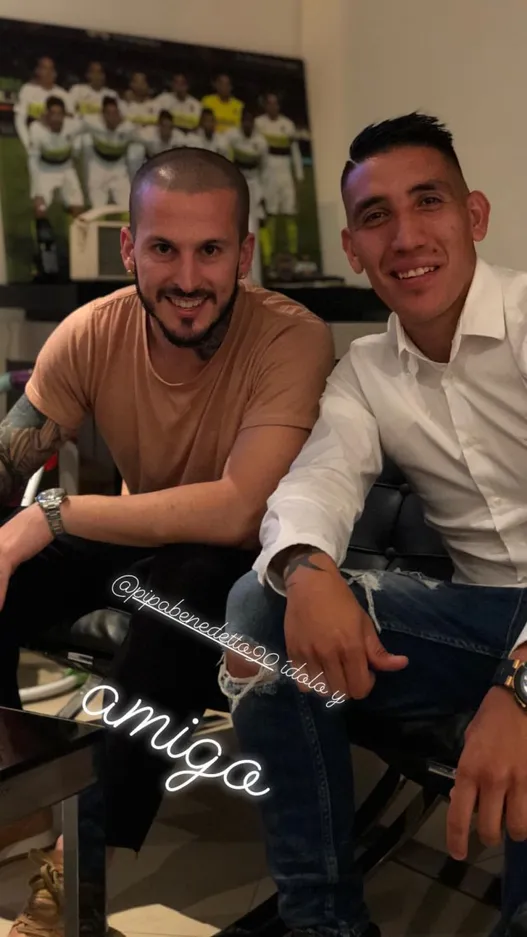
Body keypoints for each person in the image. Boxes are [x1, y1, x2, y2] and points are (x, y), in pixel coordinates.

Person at [0, 146, 334, 937]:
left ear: (243, 254)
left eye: (209, 250)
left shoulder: (292, 338)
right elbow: (10, 451)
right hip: (140, 535)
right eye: (163, 248)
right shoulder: (92, 331)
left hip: (251, 562)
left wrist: (50, 513)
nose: (187, 278)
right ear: (129, 248)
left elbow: (235, 509)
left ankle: (76, 869)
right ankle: (25, 785)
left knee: (181, 584)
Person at [220, 112, 527, 937]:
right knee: (257, 607)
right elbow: (317, 479)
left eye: (427, 201)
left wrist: (520, 688)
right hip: (474, 625)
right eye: (375, 215)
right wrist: (307, 568)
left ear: (473, 215)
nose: (405, 237)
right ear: (352, 248)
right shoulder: (364, 369)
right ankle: (324, 923)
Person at [255, 92, 304, 261]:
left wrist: (299, 176)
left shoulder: (287, 125)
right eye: (270, 103)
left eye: (275, 103)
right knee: (271, 213)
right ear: (265, 105)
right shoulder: (259, 124)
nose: (273, 107)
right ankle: (269, 254)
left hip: (286, 175)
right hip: (268, 176)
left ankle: (293, 251)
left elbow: (295, 153)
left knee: (290, 213)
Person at [225, 108, 272, 271]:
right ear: (241, 122)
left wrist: (264, 192)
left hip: (255, 183)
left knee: (260, 220)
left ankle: (267, 259)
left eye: (250, 122)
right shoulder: (232, 137)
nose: (247, 125)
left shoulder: (261, 142)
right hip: (238, 182)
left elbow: (265, 169)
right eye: (245, 121)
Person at [27, 97, 83, 220]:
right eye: (53, 114)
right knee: (40, 209)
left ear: (64, 115)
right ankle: (42, 230)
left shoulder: (74, 125)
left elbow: (90, 123)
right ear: (46, 115)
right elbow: (33, 161)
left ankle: (72, 226)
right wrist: (36, 191)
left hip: (66, 168)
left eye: (59, 114)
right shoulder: (36, 129)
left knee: (78, 211)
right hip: (44, 170)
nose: (56, 118)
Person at [82, 96, 139, 208]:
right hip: (98, 167)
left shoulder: (129, 128)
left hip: (119, 168)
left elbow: (146, 139)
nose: (112, 117)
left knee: (128, 207)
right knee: (97, 207)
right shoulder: (92, 123)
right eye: (109, 113)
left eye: (115, 113)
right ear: (103, 115)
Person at [14, 57, 72, 151]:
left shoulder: (63, 94)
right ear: (37, 71)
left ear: (55, 73)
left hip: (58, 140)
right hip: (36, 137)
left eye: (51, 69)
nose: (48, 72)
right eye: (44, 68)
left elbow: (71, 121)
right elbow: (20, 120)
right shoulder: (27, 90)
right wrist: (28, 144)